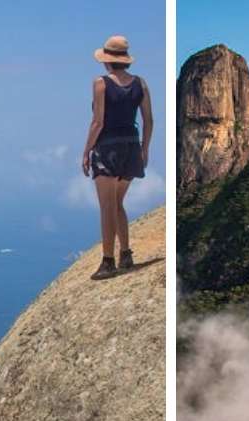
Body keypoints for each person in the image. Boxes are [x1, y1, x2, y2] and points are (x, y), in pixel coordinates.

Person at [82, 35, 153, 280]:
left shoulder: (100, 83)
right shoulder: (140, 84)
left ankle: (108, 261)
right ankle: (126, 253)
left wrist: (86, 151)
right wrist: (144, 149)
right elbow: (149, 120)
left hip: (108, 149)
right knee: (118, 203)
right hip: (132, 147)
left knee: (107, 207)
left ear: (107, 61)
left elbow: (98, 121)